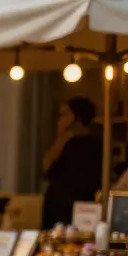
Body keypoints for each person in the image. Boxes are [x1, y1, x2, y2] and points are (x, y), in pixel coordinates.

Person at [41, 96, 103, 228]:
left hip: (80, 208)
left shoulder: (95, 145)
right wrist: (61, 137)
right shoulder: (63, 143)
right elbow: (46, 168)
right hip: (54, 206)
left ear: (76, 117)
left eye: (64, 114)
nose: (60, 119)